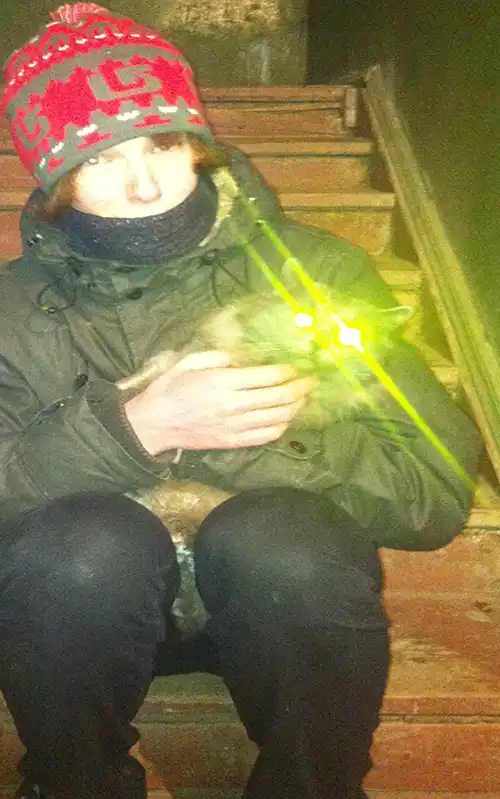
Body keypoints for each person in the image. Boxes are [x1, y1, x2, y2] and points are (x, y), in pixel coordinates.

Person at [0, 4, 482, 799]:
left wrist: (241, 436)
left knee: (287, 537)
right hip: (81, 620)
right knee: (80, 548)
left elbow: (431, 489)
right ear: (55, 177)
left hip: (279, 608)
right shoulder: (13, 309)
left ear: (196, 140)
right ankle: (71, 782)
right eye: (101, 159)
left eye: (161, 144)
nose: (144, 183)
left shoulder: (316, 275)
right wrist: (135, 428)